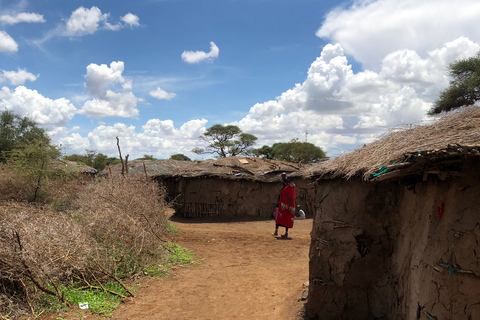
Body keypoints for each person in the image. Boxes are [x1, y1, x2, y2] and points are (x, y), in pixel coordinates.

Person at [273, 173, 296, 238]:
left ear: (291, 179)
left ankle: (280, 232)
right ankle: (281, 232)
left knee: (281, 217)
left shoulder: (290, 186)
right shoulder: (290, 185)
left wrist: (282, 191)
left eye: (288, 178)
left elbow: (285, 193)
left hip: (285, 204)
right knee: (283, 218)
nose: (287, 179)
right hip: (286, 204)